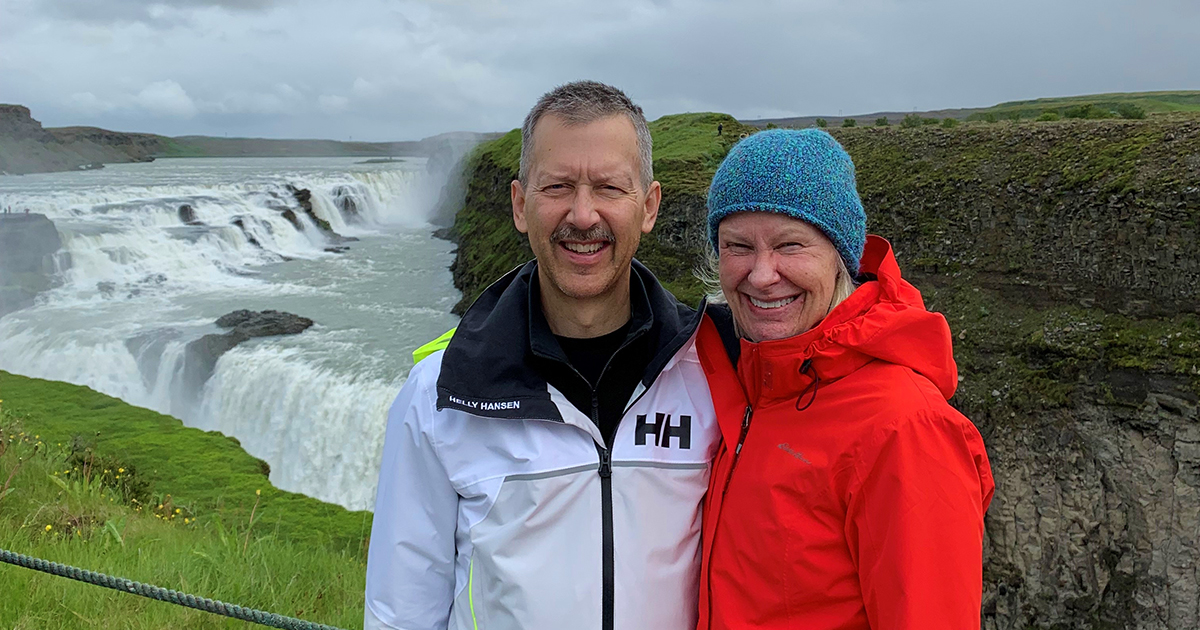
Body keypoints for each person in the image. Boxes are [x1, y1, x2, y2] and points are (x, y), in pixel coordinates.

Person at [365, 81, 720, 630]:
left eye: (608, 187)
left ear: (648, 207)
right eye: (557, 186)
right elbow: (400, 613)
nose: (583, 215)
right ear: (519, 205)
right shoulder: (440, 393)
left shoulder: (714, 376)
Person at [695, 129, 995, 630]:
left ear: (841, 257)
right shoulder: (749, 386)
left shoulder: (904, 427)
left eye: (791, 245)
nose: (762, 274)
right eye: (738, 246)